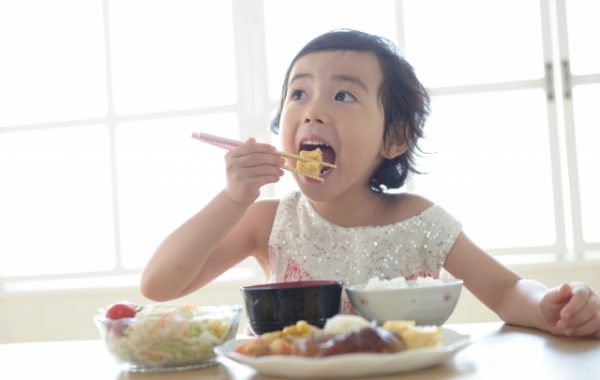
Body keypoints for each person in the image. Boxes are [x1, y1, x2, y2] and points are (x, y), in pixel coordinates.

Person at [141, 29, 600, 338]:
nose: (312, 110)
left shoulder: (420, 220)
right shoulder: (267, 221)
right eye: (298, 93)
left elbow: (504, 290)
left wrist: (551, 305)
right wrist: (232, 198)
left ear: (395, 137)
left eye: (343, 95)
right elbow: (159, 284)